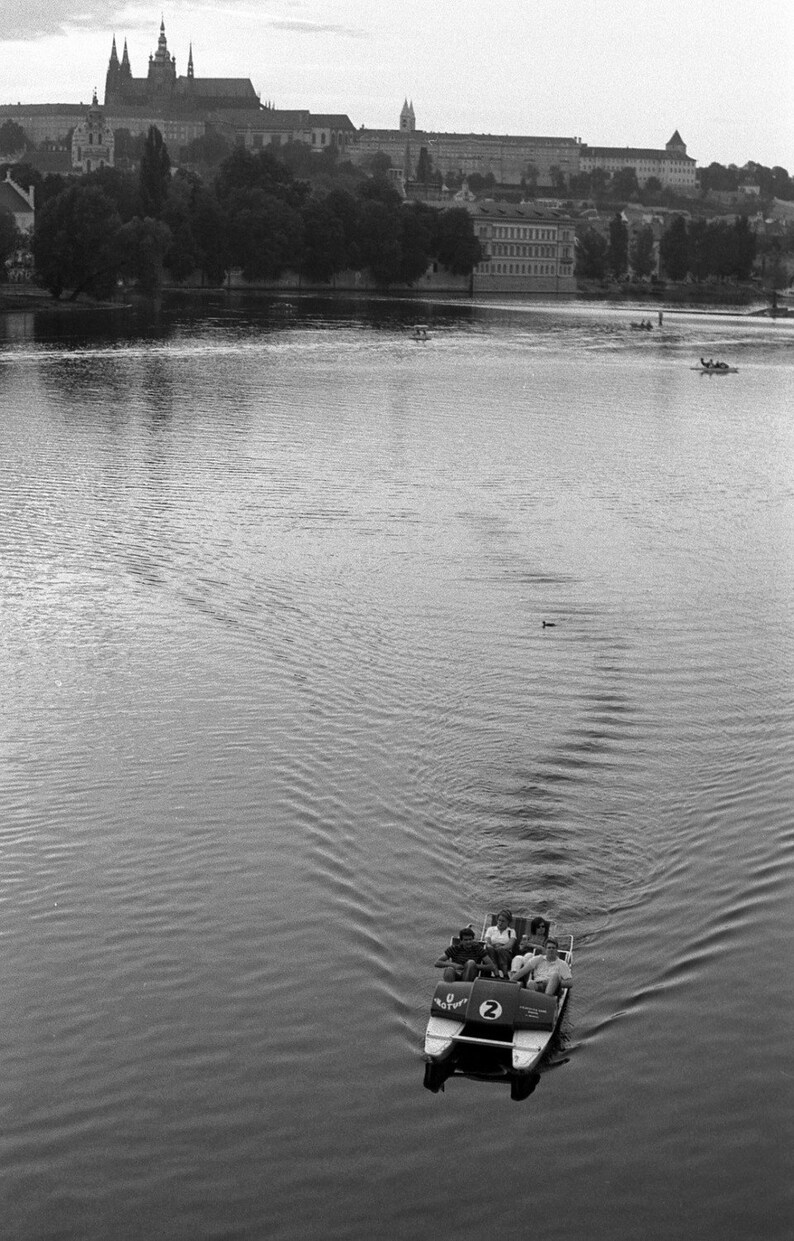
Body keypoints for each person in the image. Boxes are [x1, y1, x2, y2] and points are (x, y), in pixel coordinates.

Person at [483, 909, 517, 978]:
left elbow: (510, 945)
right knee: (489, 949)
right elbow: (487, 942)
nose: (500, 923)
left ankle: (505, 975)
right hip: (492, 951)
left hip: (505, 954)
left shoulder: (511, 931)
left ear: (508, 922)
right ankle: (497, 974)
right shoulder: (491, 929)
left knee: (500, 951)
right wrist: (493, 948)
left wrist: (499, 948)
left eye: (503, 921)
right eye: (499, 920)